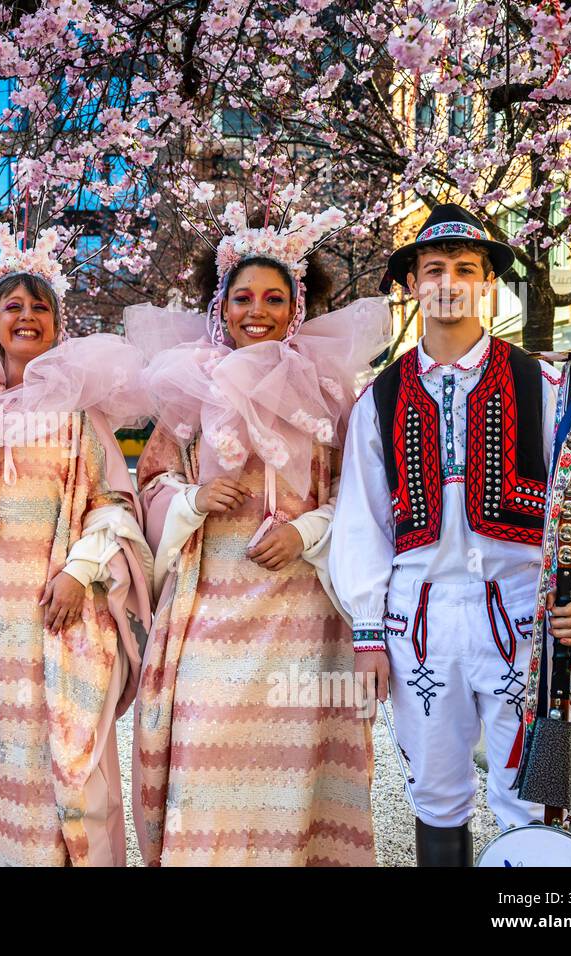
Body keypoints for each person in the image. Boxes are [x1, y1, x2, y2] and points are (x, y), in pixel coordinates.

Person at [329, 202, 571, 865]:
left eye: (465, 269)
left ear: (487, 284)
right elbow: (361, 522)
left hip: (522, 615)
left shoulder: (549, 382)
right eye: (433, 267)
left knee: (532, 793)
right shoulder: (378, 398)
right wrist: (367, 631)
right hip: (418, 617)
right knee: (434, 791)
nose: (448, 281)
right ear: (412, 283)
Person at [127, 199, 388, 866]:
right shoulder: (185, 392)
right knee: (206, 768)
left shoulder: (335, 397)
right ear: (221, 305)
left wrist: (306, 532)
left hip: (303, 621)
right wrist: (191, 498)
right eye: (243, 296)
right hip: (211, 613)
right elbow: (150, 486)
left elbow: (362, 502)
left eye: (275, 297)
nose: (258, 311)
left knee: (292, 780)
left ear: (297, 307)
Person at [0, 223, 153, 866]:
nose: (27, 316)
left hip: (50, 621)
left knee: (51, 766)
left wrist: (80, 571)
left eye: (40, 306)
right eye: (13, 306)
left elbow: (114, 506)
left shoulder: (78, 417)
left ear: (57, 325)